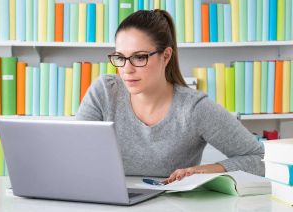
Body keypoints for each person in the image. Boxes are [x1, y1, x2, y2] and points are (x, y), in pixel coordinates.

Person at [76, 9, 264, 183]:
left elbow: (260, 159)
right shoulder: (105, 91)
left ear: (166, 56)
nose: (126, 69)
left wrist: (211, 169)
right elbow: (74, 153)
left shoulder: (194, 108)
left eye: (139, 57)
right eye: (120, 57)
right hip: (108, 201)